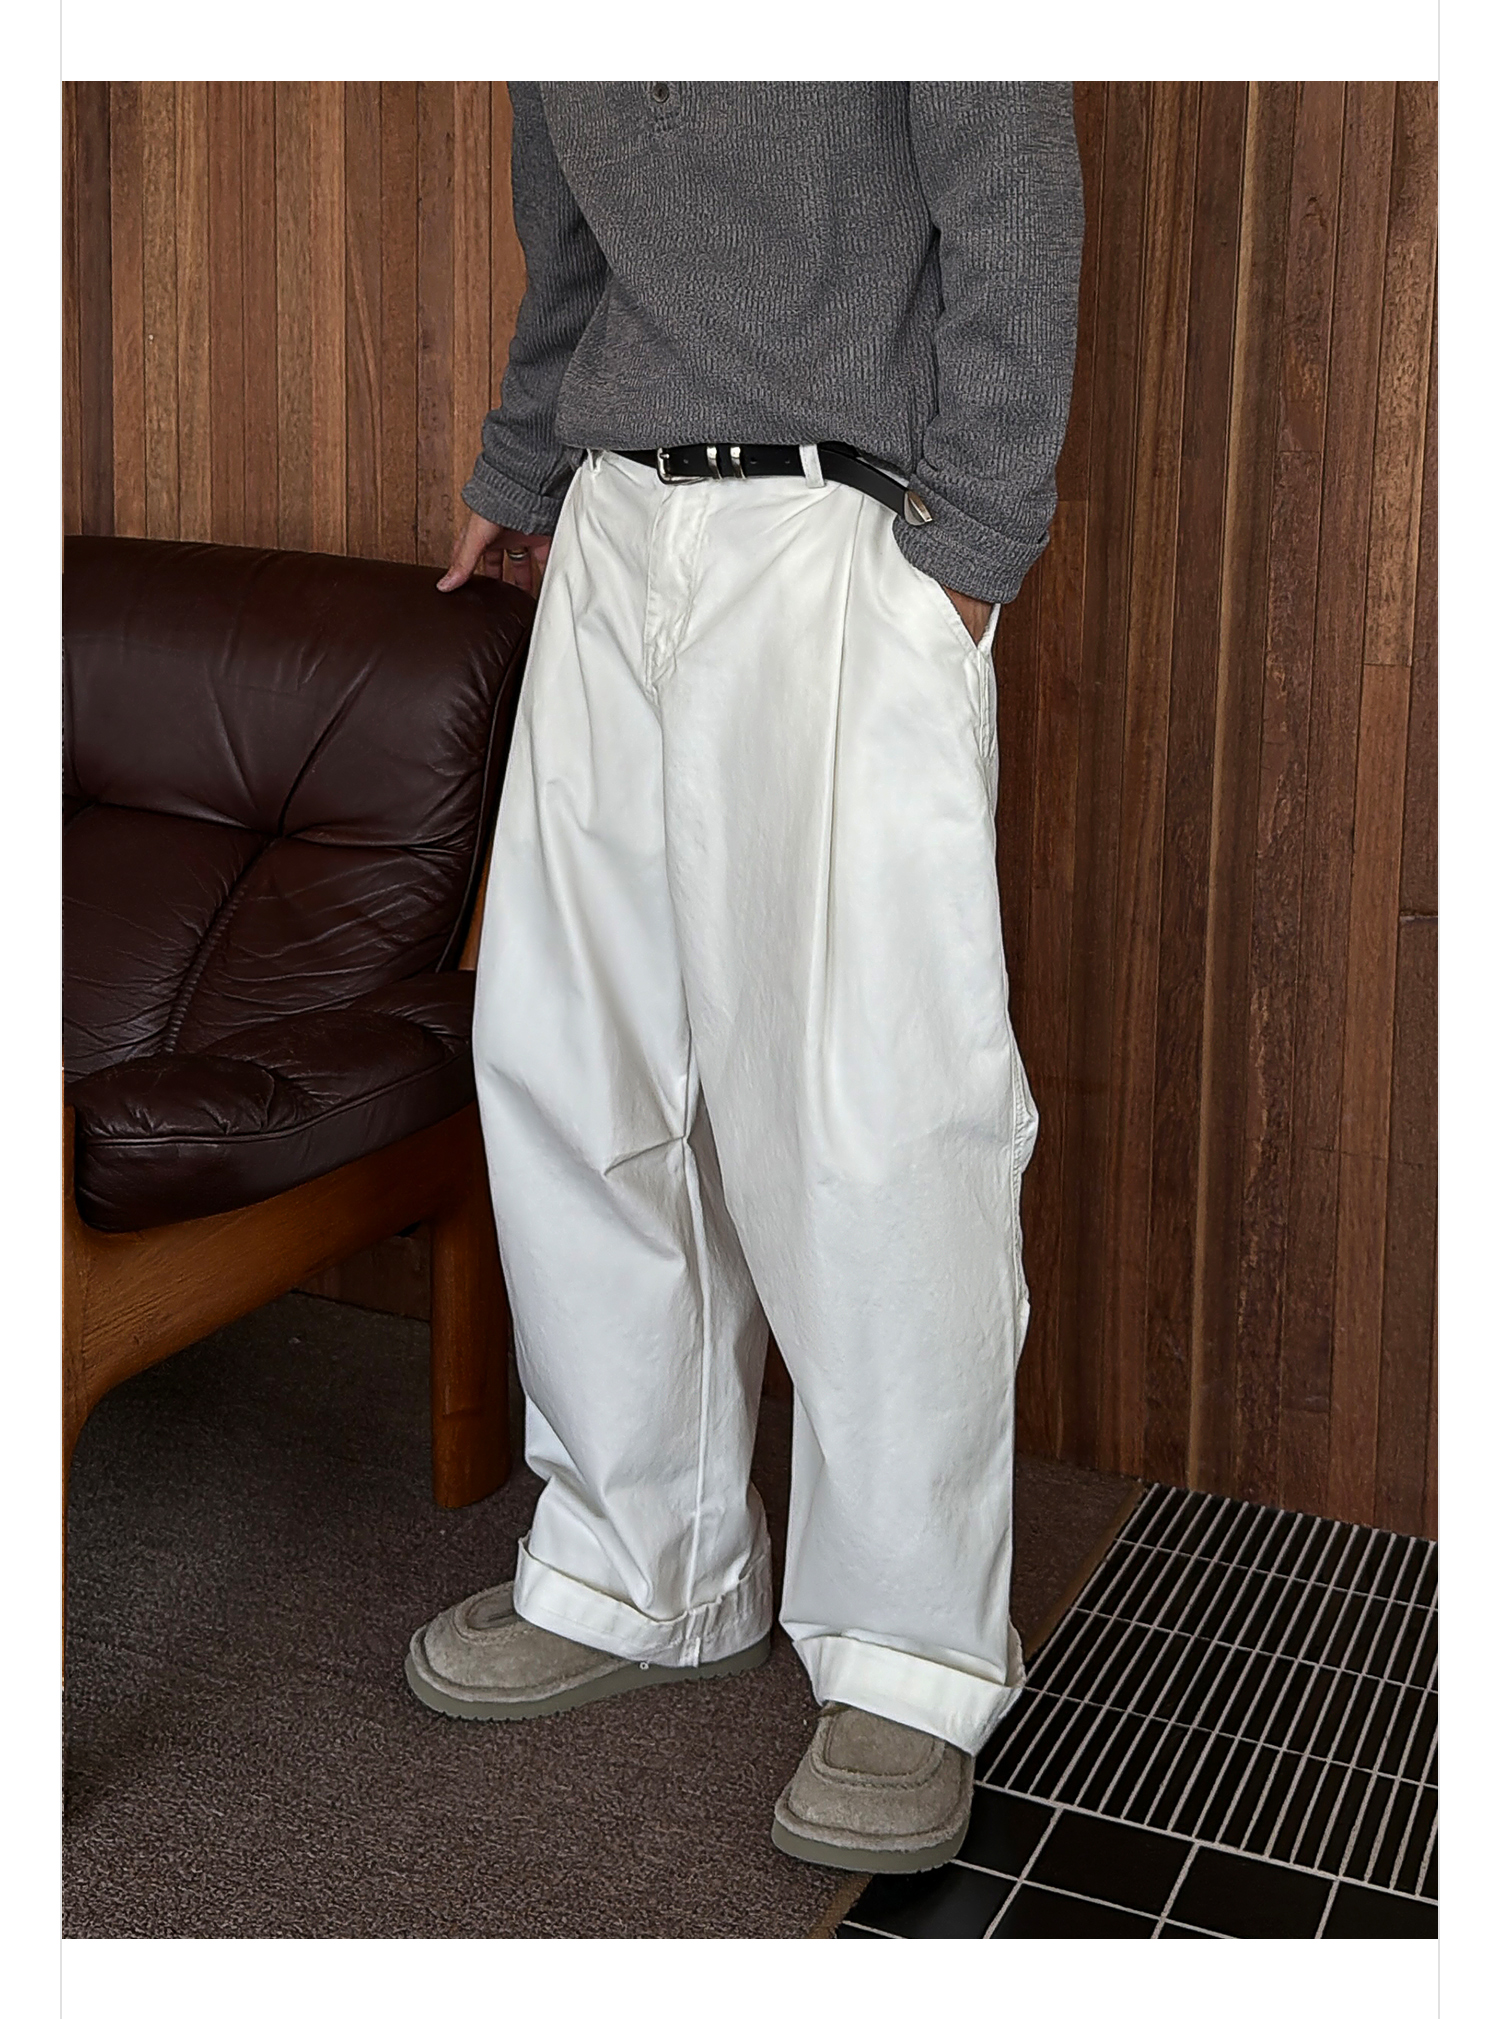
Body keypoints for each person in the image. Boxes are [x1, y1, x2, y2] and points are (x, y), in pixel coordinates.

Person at [410, 82, 1084, 1877]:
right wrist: (520, 474)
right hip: (612, 527)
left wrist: (972, 552)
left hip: (841, 533)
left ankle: (910, 1655)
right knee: (572, 1067)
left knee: (874, 1111)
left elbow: (1013, 195)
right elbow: (572, 245)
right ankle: (642, 1566)